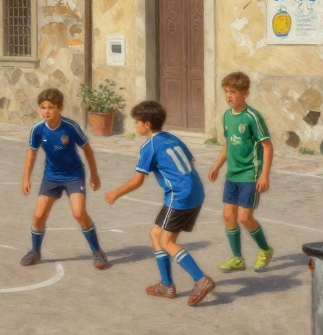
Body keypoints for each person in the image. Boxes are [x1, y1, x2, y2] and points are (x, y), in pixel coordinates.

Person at [106, 101, 215, 306]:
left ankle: (201, 280)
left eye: (137, 122)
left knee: (167, 241)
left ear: (147, 124)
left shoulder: (150, 146)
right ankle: (166, 285)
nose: (135, 125)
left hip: (179, 196)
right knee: (156, 233)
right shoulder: (172, 138)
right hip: (195, 192)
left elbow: (138, 180)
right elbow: (190, 162)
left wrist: (116, 193)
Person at [20, 89, 108, 269]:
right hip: (51, 176)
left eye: (51, 107)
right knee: (38, 216)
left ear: (60, 108)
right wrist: (26, 178)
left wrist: (94, 174)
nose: (46, 111)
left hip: (74, 175)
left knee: (79, 213)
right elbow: (32, 152)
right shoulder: (38, 129)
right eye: (43, 107)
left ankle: (97, 251)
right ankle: (35, 251)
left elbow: (87, 150)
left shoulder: (70, 127)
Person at [208, 72, 275, 273]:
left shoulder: (252, 117)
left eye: (233, 92)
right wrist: (217, 166)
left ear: (245, 94)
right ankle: (237, 258)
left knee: (245, 217)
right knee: (228, 215)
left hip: (250, 175)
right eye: (226, 92)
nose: (229, 96)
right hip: (232, 175)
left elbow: (267, 146)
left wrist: (264, 175)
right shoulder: (227, 116)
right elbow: (228, 143)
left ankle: (265, 249)